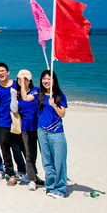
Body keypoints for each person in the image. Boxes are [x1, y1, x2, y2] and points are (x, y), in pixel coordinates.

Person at [35, 70, 68, 198]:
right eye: (44, 78)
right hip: (42, 131)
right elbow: (26, 98)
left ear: (54, 80)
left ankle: (60, 189)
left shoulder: (59, 96)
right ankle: (50, 186)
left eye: (49, 78)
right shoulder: (39, 94)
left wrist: (54, 105)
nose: (46, 81)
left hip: (56, 133)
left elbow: (62, 114)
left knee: (59, 162)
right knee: (47, 161)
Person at [17, 70, 44, 191]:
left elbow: (27, 98)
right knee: (30, 155)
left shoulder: (36, 91)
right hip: (26, 127)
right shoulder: (16, 94)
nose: (24, 82)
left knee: (45, 154)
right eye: (21, 80)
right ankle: (32, 179)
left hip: (40, 126)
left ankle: (47, 177)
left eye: (26, 80)